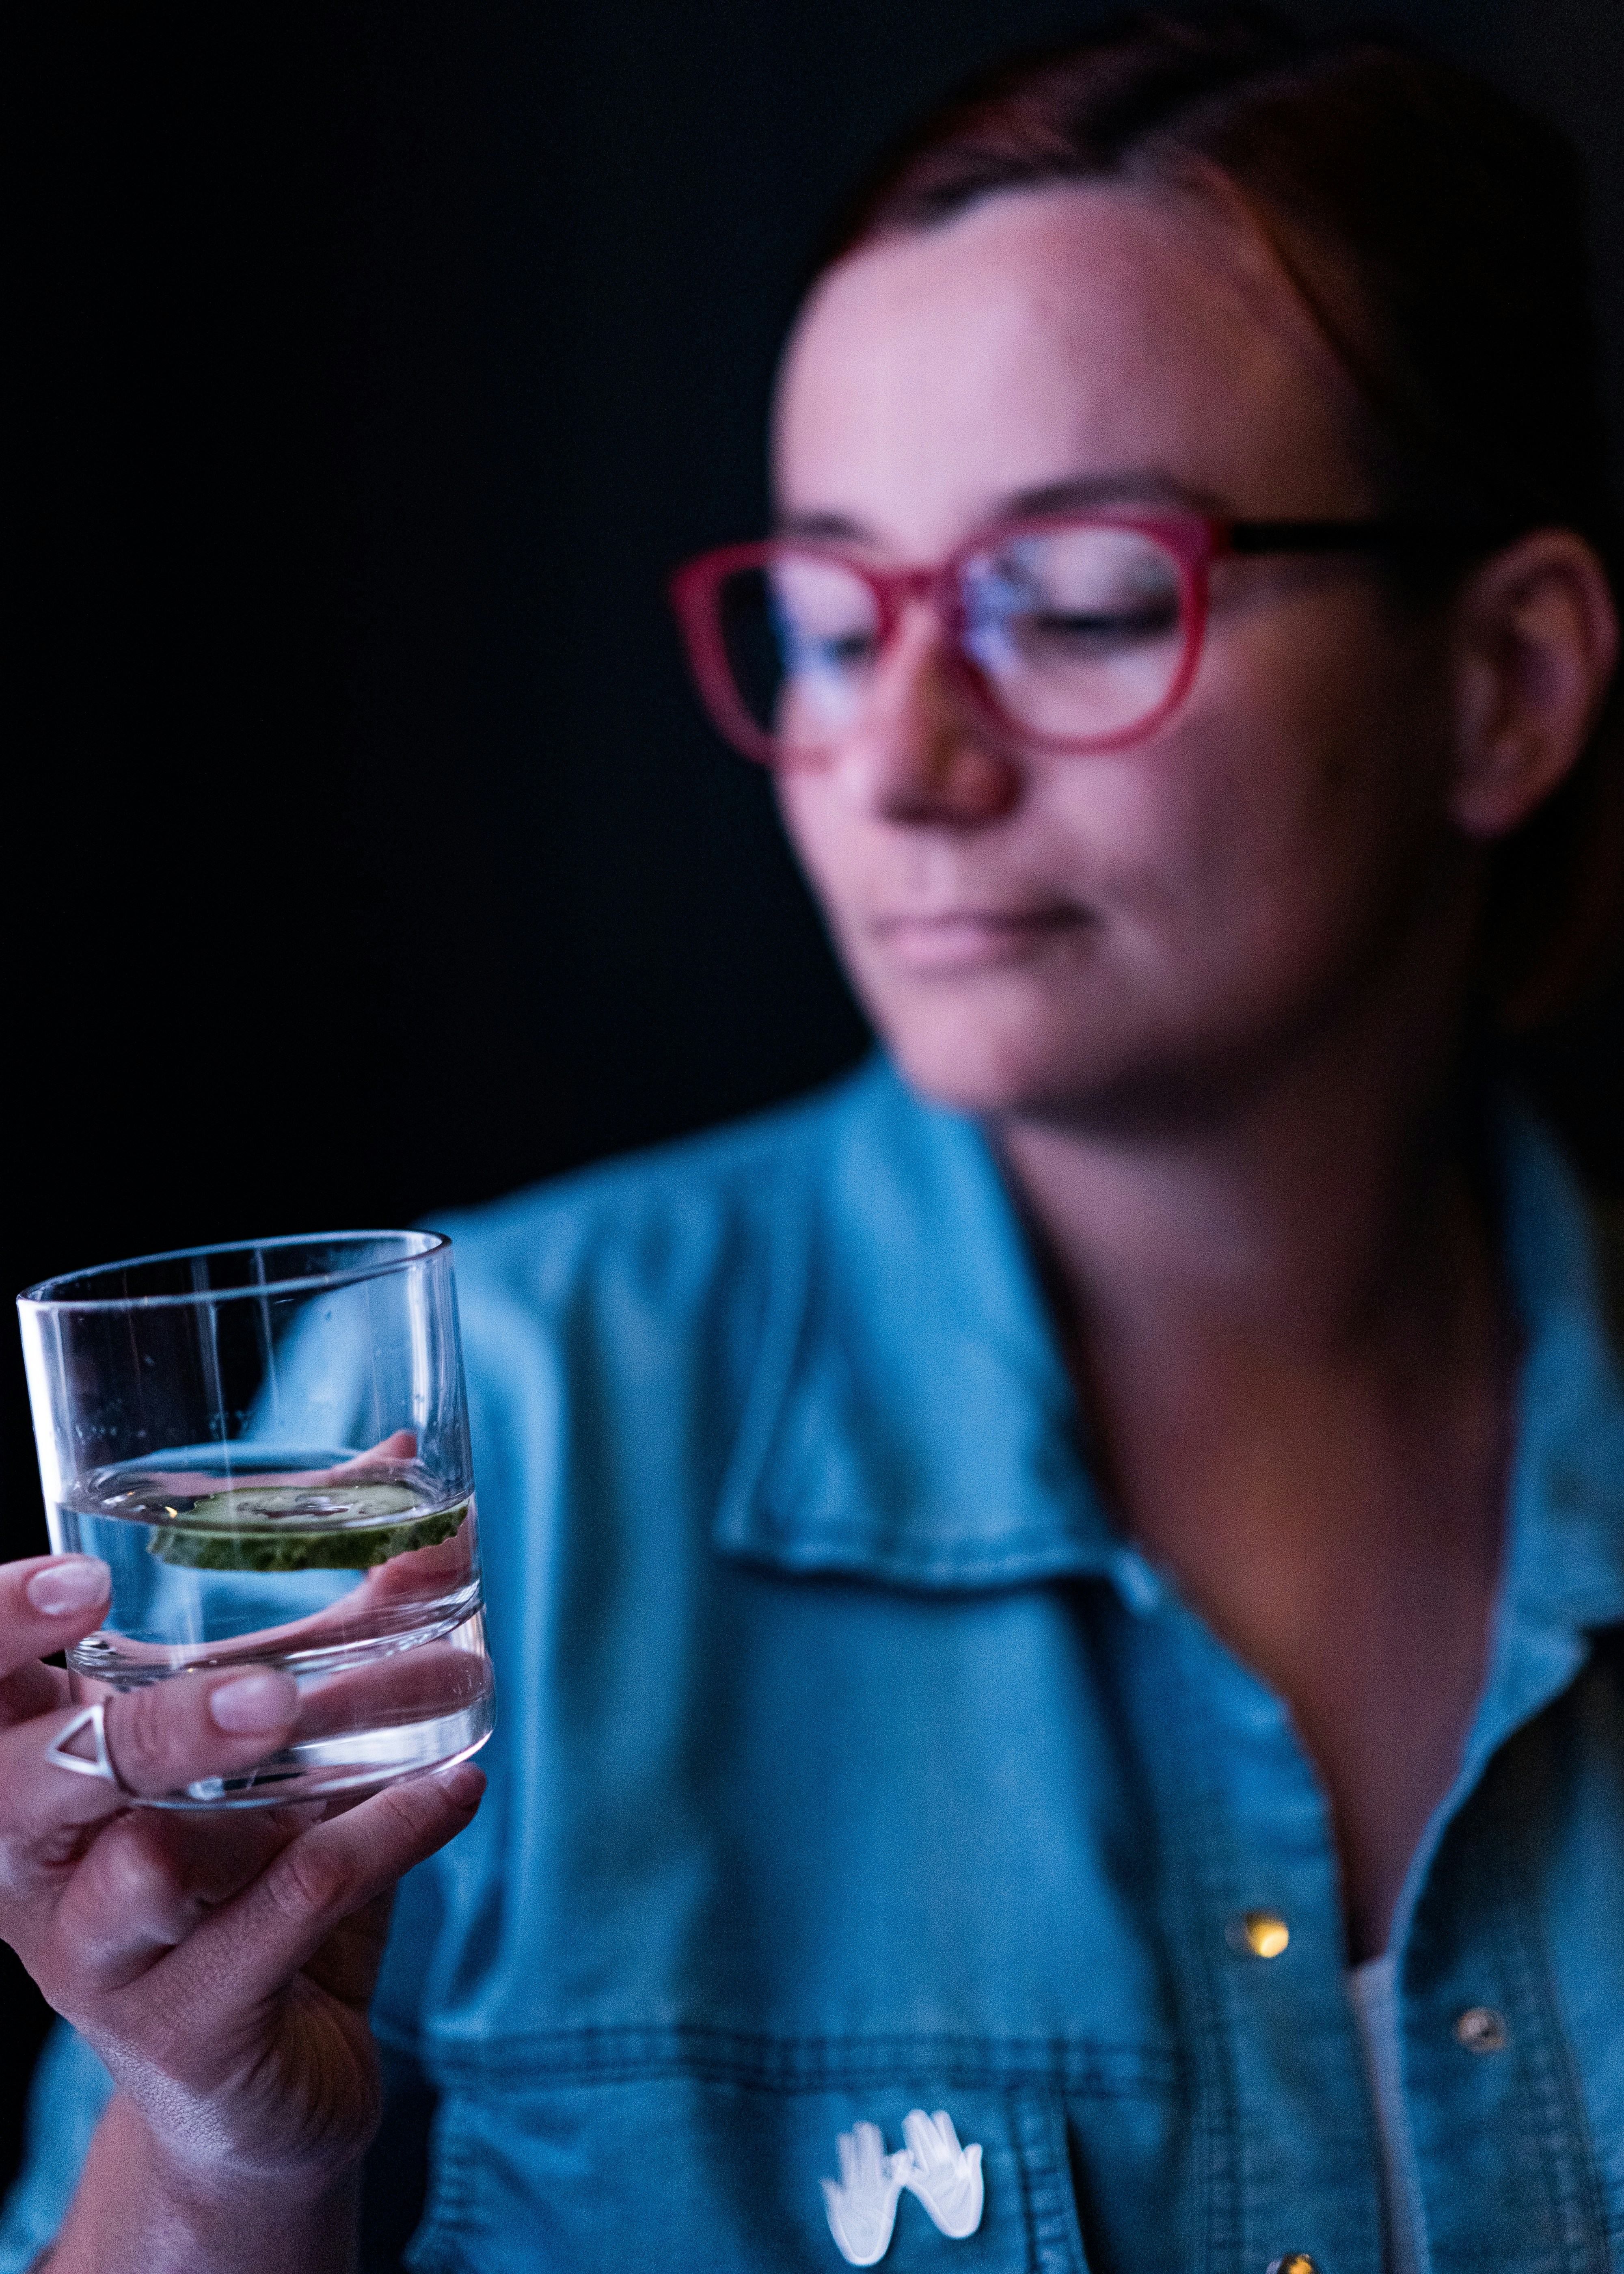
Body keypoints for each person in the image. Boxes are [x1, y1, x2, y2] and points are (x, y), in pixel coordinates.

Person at [4, 9, 1623, 2268]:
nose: (901, 765)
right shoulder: (494, 1438)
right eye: (836, 623)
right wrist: (223, 2155)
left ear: (1507, 683)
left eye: (1075, 604)